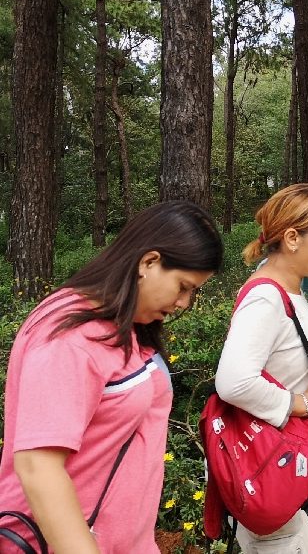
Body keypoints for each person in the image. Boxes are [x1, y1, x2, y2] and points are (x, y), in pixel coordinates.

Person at [0, 201, 224, 554]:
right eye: (183, 286)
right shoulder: (71, 337)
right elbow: (37, 466)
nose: (185, 303)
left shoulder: (128, 324)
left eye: (193, 291)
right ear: (148, 262)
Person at [214, 183, 308, 554]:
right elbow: (233, 382)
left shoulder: (288, 290)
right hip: (273, 468)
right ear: (292, 238)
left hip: (285, 464)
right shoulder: (267, 297)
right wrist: (302, 402)